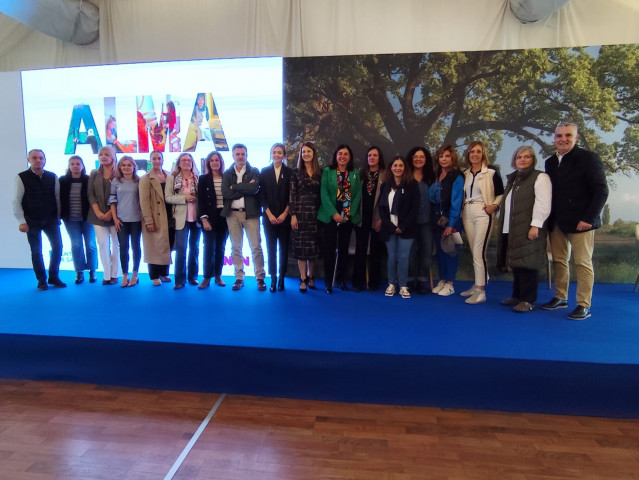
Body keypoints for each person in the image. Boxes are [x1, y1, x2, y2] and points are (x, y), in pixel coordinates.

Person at [542, 122, 609, 320]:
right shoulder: (550, 162)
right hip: (557, 222)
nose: (563, 139)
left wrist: (588, 218)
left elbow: (601, 190)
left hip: (582, 222)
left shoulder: (589, 158)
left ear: (576, 137)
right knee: (560, 261)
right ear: (554, 139)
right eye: (559, 135)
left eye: (568, 135)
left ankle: (583, 304)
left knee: (582, 263)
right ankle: (560, 297)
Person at [497, 146, 552, 312]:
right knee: (517, 263)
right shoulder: (514, 179)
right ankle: (517, 295)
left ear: (533, 160)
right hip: (511, 227)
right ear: (514, 160)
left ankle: (528, 300)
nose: (522, 159)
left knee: (528, 263)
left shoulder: (540, 177)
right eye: (519, 157)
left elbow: (543, 203)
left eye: (527, 157)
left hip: (529, 227)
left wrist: (535, 225)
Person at [13, 149, 66, 290]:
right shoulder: (21, 177)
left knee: (58, 247)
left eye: (41, 158)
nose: (38, 160)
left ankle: (53, 277)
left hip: (51, 219)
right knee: (36, 251)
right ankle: (41, 280)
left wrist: (58, 217)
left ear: (44, 160)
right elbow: (16, 201)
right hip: (31, 221)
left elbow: (57, 198)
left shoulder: (52, 176)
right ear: (28, 160)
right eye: (35, 158)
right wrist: (21, 221)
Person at [460, 141, 504, 304]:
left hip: (483, 212)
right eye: (472, 152)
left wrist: (494, 206)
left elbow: (501, 193)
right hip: (467, 212)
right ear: (468, 155)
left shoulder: (491, 172)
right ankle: (478, 283)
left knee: (479, 251)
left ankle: (481, 291)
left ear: (483, 153)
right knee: (474, 250)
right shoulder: (465, 173)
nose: (475, 154)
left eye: (478, 151)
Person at [221, 143, 266, 291]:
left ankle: (260, 278)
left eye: (243, 154)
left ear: (246, 155)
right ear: (233, 155)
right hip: (232, 214)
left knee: (256, 247)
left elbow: (253, 189)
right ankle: (239, 277)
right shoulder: (227, 174)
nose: (240, 157)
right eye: (237, 154)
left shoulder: (254, 171)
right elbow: (226, 194)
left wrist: (235, 187)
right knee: (236, 248)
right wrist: (245, 187)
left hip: (251, 214)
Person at [318, 144, 362, 293]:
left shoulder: (355, 173)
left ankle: (341, 280)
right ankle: (328, 282)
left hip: (347, 218)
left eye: (346, 154)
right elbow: (323, 193)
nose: (343, 156)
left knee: (343, 250)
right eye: (340, 154)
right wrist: (334, 213)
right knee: (329, 250)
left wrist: (346, 215)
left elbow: (357, 196)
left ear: (349, 157)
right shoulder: (327, 171)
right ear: (336, 156)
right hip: (329, 217)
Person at [377, 155, 420, 299]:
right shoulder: (385, 185)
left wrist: (402, 225)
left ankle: (403, 286)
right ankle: (391, 284)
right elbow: (381, 209)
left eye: (401, 166)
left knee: (403, 257)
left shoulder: (412, 185)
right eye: (395, 165)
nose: (398, 168)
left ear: (404, 168)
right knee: (392, 257)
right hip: (389, 228)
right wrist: (390, 226)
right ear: (391, 168)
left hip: (407, 228)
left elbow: (415, 209)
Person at [429, 144, 464, 296]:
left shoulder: (457, 176)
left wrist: (451, 223)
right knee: (440, 252)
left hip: (451, 218)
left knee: (450, 251)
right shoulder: (436, 175)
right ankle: (442, 280)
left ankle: (450, 283)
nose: (444, 159)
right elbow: (432, 198)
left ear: (452, 158)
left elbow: (457, 201)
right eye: (441, 156)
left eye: (447, 156)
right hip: (437, 218)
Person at [59, 155, 98, 285]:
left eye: (78, 163)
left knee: (91, 244)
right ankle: (79, 272)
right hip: (70, 218)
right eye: (73, 164)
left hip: (88, 218)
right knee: (76, 244)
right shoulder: (62, 180)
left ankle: (93, 271)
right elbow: (58, 199)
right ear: (69, 166)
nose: (75, 166)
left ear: (82, 166)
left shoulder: (89, 180)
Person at [352, 146, 386, 292]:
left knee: (375, 252)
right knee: (360, 251)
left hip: (378, 218)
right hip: (361, 218)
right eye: (369, 155)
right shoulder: (360, 174)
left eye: (375, 155)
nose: (371, 158)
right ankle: (358, 283)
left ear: (379, 158)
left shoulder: (386, 175)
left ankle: (373, 283)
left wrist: (382, 219)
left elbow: (388, 200)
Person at [289, 142, 322, 293]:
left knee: (313, 248)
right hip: (300, 215)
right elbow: (292, 195)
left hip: (316, 215)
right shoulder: (295, 172)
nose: (306, 154)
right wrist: (293, 215)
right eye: (303, 152)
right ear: (301, 155)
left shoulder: (320, 172)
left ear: (314, 153)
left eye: (309, 151)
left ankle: (311, 276)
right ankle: (302, 278)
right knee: (301, 248)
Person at [165, 153, 201, 290]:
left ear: (192, 163)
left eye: (189, 160)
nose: (186, 162)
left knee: (195, 248)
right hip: (180, 218)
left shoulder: (198, 178)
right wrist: (184, 198)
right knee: (181, 249)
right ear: (179, 163)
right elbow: (168, 197)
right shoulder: (172, 178)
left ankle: (193, 277)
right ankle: (179, 279)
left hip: (196, 217)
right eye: (183, 160)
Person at [260, 143, 292, 292]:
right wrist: (270, 214)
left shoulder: (290, 172)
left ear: (284, 155)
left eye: (280, 152)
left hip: (285, 218)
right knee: (271, 248)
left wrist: (285, 213)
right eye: (274, 152)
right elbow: (262, 195)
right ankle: (273, 278)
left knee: (284, 249)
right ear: (271, 154)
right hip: (269, 218)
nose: (277, 154)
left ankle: (282, 279)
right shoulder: (264, 172)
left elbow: (292, 196)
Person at [88, 146, 119, 285]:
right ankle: (106, 275)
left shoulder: (119, 173)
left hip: (117, 215)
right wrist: (99, 212)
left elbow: (122, 196)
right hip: (97, 216)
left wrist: (110, 213)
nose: (103, 156)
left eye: (107, 154)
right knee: (102, 244)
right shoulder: (94, 173)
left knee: (116, 245)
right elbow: (90, 194)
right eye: (101, 154)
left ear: (113, 156)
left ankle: (115, 274)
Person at [139, 150, 172, 286]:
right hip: (155, 216)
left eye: (159, 158)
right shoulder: (145, 178)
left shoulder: (169, 175)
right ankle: (154, 275)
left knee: (166, 245)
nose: (157, 161)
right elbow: (144, 201)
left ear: (163, 160)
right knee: (153, 246)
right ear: (150, 161)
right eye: (154, 158)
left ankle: (164, 273)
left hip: (169, 214)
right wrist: (148, 220)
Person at [109, 156, 142, 287]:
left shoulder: (139, 181)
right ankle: (124, 275)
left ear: (134, 167)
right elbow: (112, 201)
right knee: (123, 247)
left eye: (129, 165)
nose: (126, 167)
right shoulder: (115, 181)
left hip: (136, 220)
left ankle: (135, 274)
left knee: (135, 246)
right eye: (123, 165)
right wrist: (115, 219)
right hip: (121, 220)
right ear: (120, 167)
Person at [406, 146, 436, 294]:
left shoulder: (431, 178)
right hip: (409, 223)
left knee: (425, 253)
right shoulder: (406, 177)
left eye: (421, 157)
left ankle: (423, 281)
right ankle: (410, 280)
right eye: (415, 156)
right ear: (411, 159)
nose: (418, 159)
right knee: (410, 254)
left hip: (427, 222)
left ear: (426, 160)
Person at [197, 151, 229, 289]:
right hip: (209, 217)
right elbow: (201, 201)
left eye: (217, 160)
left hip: (225, 216)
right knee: (209, 247)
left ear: (221, 162)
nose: (215, 162)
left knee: (221, 247)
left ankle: (218, 275)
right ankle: (206, 277)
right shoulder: (203, 179)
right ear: (208, 163)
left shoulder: (227, 177)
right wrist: (204, 219)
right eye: (212, 160)